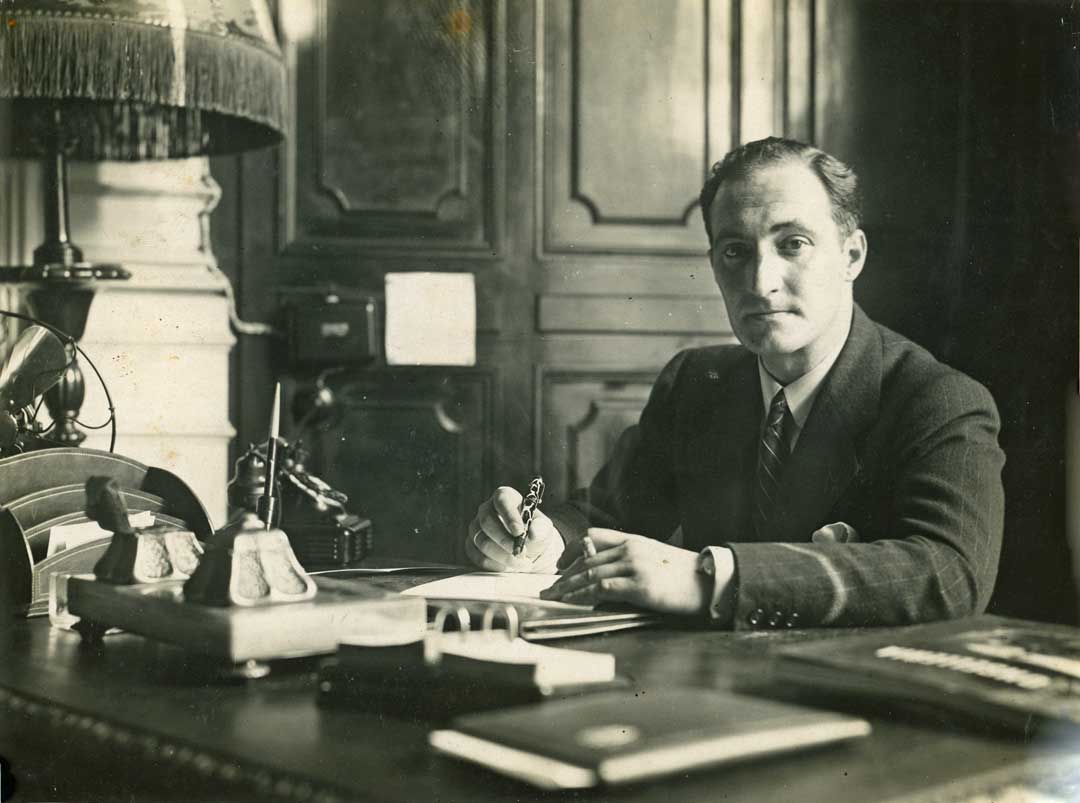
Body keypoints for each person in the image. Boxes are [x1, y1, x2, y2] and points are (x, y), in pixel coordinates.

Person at [463, 137, 1005, 629]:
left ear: (851, 256)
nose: (760, 282)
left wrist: (712, 577)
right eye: (735, 252)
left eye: (793, 244)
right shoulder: (696, 382)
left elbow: (950, 572)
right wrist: (541, 539)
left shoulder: (938, 399)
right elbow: (609, 512)